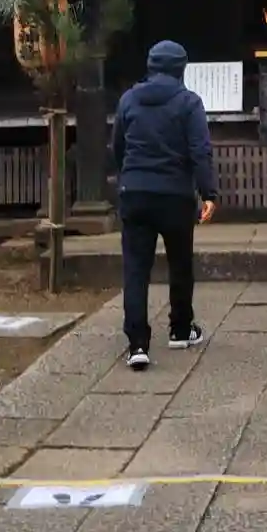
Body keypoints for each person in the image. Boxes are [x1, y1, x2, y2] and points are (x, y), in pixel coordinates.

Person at [111, 40, 217, 369]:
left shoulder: (128, 99)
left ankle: (137, 344)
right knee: (180, 263)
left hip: (135, 192)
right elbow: (200, 150)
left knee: (135, 268)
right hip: (175, 195)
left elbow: (118, 146)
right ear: (180, 69)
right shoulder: (189, 102)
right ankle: (180, 330)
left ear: (151, 66)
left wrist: (128, 177)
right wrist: (209, 193)